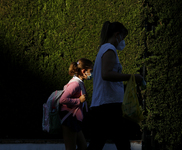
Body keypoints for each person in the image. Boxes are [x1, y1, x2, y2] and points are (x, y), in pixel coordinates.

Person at [86, 21, 143, 150]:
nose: (122, 41)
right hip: (108, 105)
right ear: (117, 34)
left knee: (101, 142)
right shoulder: (109, 49)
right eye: (122, 37)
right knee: (120, 141)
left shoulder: (103, 49)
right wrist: (132, 77)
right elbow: (106, 74)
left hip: (105, 104)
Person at [59, 58, 93, 150]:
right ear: (83, 71)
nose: (92, 74)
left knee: (83, 147)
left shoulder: (79, 83)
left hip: (74, 120)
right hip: (69, 120)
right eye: (91, 71)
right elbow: (62, 99)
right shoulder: (75, 84)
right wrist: (79, 100)